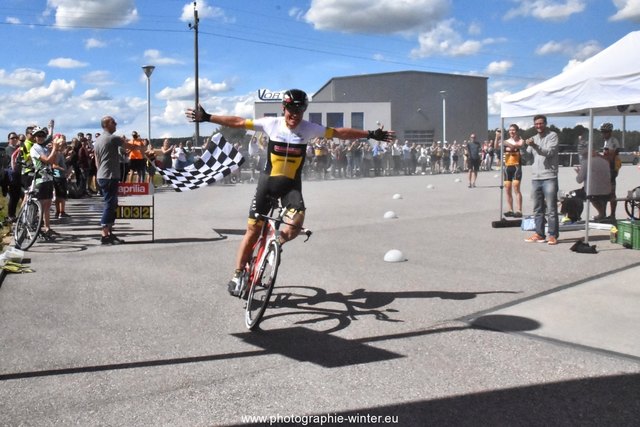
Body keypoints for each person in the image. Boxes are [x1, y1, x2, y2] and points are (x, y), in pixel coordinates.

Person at [186, 88, 394, 296]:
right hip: (267, 184)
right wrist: (207, 117)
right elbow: (239, 122)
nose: (294, 117)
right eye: (290, 112)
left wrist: (370, 134)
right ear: (283, 108)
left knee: (295, 226)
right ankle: (238, 273)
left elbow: (340, 133)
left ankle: (274, 244)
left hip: (291, 187)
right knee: (252, 231)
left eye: (299, 112)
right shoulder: (271, 124)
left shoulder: (309, 128)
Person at [93, 116, 144, 245]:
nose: (116, 124)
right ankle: (104, 234)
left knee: (113, 203)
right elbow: (130, 146)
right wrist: (140, 144)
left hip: (102, 175)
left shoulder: (98, 140)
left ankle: (109, 232)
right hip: (109, 176)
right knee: (110, 204)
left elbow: (96, 160)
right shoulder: (112, 138)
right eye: (113, 122)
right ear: (106, 124)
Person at [524, 114, 560, 245]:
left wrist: (535, 146)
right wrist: (521, 145)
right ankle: (539, 234)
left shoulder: (552, 136)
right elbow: (527, 155)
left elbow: (549, 152)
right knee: (537, 208)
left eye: (541, 123)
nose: (538, 126)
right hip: (535, 177)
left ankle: (553, 235)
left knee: (551, 208)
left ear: (545, 123)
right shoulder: (533, 138)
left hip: (549, 176)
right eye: (536, 124)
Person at [29, 126, 61, 240]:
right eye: (39, 136)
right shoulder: (35, 148)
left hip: (48, 178)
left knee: (47, 205)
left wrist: (55, 150)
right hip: (40, 179)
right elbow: (47, 160)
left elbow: (53, 161)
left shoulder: (45, 148)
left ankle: (47, 228)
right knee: (41, 206)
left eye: (43, 136)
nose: (41, 138)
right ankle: (39, 229)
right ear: (35, 138)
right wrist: (54, 150)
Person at [575, 143, 611, 221]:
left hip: (593, 192)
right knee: (600, 196)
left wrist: (578, 173)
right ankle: (602, 213)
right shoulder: (605, 162)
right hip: (607, 191)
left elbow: (579, 180)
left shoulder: (586, 163)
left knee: (573, 195)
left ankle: (574, 216)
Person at [500, 124, 524, 217]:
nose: (511, 132)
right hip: (507, 166)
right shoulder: (506, 140)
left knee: (516, 187)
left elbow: (516, 147)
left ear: (517, 131)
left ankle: (519, 210)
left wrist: (505, 143)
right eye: (510, 130)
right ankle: (510, 209)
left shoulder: (521, 140)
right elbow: (496, 146)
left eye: (513, 130)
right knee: (507, 188)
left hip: (516, 166)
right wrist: (497, 137)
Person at [599, 122, 621, 219]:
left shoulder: (612, 141)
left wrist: (598, 156)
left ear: (610, 132)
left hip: (611, 169)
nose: (603, 134)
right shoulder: (606, 141)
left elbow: (610, 157)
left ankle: (612, 214)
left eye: (605, 132)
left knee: (611, 193)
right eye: (602, 132)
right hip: (606, 169)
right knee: (604, 192)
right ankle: (603, 213)